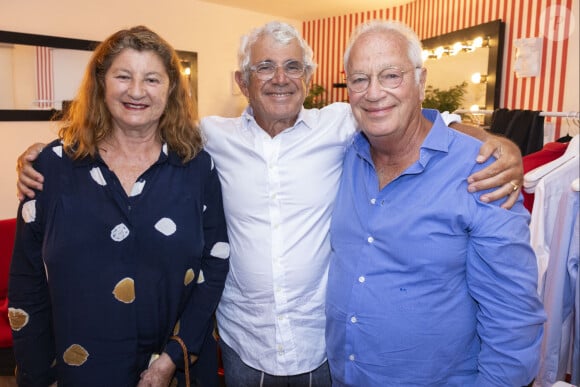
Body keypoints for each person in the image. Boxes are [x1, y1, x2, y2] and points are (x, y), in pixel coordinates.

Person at [15, 21, 524, 386]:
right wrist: (46, 154)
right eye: (264, 67)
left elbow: (412, 116)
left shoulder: (343, 124)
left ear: (308, 77)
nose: (279, 78)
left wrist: (488, 139)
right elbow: (138, 126)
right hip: (243, 344)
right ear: (242, 81)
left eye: (292, 67)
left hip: (324, 349)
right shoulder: (205, 141)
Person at [325, 19, 545, 386]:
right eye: (359, 79)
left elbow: (513, 317)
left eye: (391, 75)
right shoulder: (344, 157)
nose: (373, 92)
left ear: (421, 82)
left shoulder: (481, 170)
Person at [8, 26, 229, 387]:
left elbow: (216, 264)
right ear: (101, 83)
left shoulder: (197, 168)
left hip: (175, 371)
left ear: (171, 88)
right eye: (123, 76)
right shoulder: (51, 168)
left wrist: (174, 356)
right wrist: (36, 375)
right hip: (78, 371)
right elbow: (27, 285)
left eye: (152, 79)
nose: (137, 91)